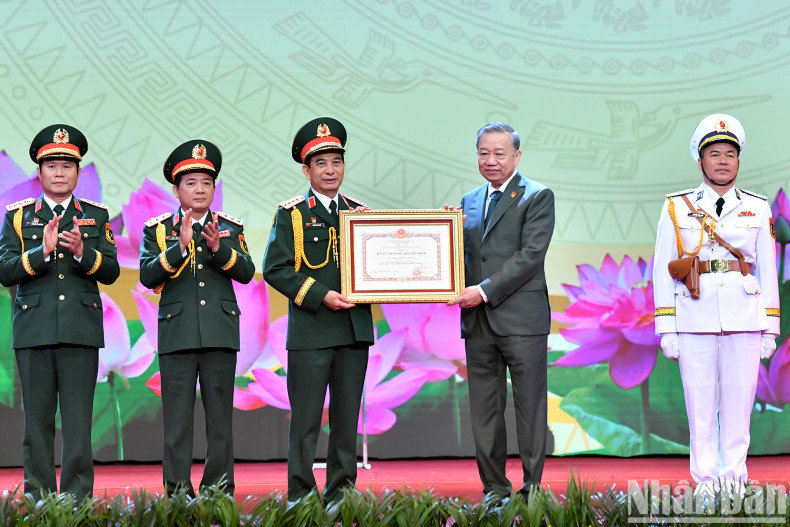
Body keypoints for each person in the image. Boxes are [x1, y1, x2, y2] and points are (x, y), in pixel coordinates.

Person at [653, 114, 779, 498]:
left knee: (739, 411)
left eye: (730, 154)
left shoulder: (756, 207)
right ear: (700, 161)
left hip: (744, 317)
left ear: (738, 161)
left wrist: (770, 327)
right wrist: (668, 328)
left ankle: (735, 485)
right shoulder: (677, 207)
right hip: (694, 317)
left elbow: (768, 270)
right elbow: (662, 269)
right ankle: (706, 487)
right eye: (714, 154)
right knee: (701, 410)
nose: (723, 161)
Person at [0, 124, 119, 499]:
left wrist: (84, 254)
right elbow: (5, 271)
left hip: (80, 331)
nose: (59, 173)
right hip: (34, 330)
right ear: (39, 173)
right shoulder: (18, 217)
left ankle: (77, 499)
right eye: (51, 166)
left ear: (78, 173)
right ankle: (38, 500)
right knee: (36, 424)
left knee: (79, 423)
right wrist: (42, 252)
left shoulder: (96, 217)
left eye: (67, 166)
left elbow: (112, 271)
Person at [263, 117, 374, 503]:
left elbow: (379, 268)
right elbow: (276, 269)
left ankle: (342, 493)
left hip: (354, 331)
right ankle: (301, 495)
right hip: (312, 331)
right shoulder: (291, 213)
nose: (330, 170)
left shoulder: (362, 213)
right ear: (307, 169)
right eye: (321, 163)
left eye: (337, 162)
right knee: (306, 422)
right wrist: (320, 295)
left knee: (346, 422)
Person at [139, 140, 255, 497]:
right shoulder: (158, 229)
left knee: (221, 422)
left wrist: (220, 250)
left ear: (214, 188)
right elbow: (147, 276)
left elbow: (247, 273)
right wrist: (179, 247)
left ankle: (218, 492)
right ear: (176, 190)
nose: (199, 189)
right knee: (177, 422)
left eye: (206, 182)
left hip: (220, 333)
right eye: (191, 183)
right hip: (177, 333)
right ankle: (177, 494)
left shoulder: (230, 228)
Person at [448, 122, 555, 502]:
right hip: (479, 325)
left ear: (517, 156)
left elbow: (529, 257)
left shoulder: (538, 196)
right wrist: (444, 235)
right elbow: (461, 257)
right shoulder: (468, 200)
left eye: (499, 153)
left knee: (529, 407)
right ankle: (494, 488)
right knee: (485, 413)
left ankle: (533, 488)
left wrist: (482, 291)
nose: (490, 160)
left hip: (521, 320)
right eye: (483, 153)